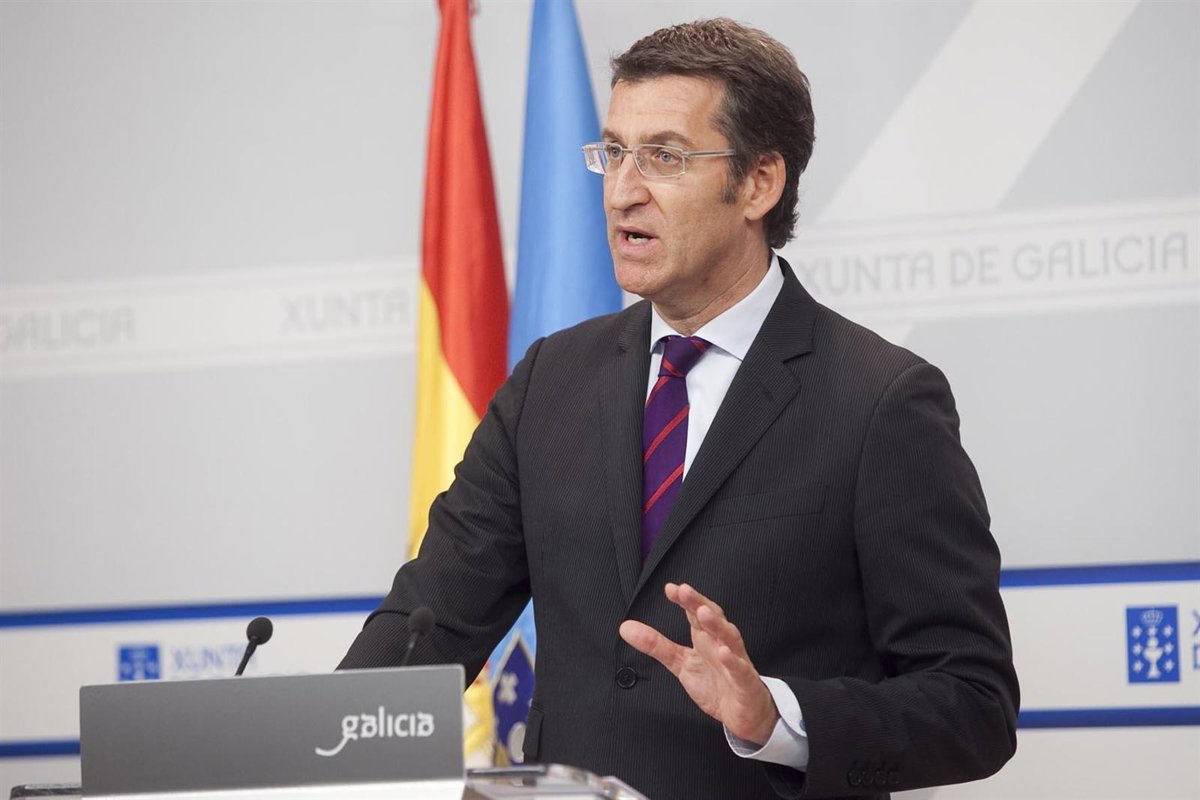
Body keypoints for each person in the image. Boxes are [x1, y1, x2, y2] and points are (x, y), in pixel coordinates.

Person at [340, 18, 1018, 800]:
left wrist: (778, 718)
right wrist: (314, 747)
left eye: (664, 156)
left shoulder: (879, 401)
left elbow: (974, 703)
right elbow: (430, 619)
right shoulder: (550, 381)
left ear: (759, 184)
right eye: (614, 152)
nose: (622, 190)